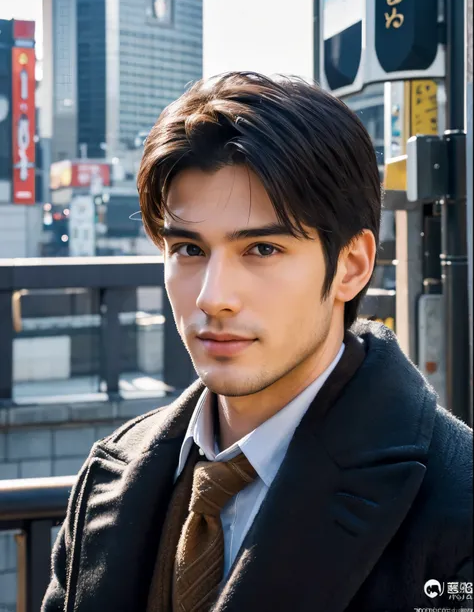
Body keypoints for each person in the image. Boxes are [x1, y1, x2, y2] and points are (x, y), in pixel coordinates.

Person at [42, 72, 472, 612]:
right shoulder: (114, 473)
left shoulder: (456, 506)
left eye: (263, 249)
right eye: (189, 250)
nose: (213, 297)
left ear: (352, 265)